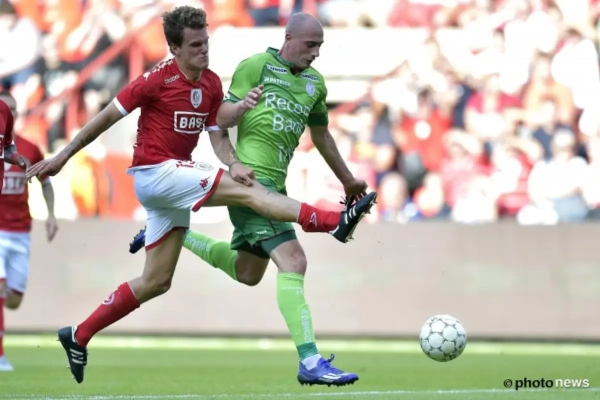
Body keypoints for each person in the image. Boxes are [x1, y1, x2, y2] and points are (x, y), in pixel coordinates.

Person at [25, 6, 376, 384]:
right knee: (254, 197)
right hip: (155, 172)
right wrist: (61, 156)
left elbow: (216, 133)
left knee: (158, 281)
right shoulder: (154, 80)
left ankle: (79, 335)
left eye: (205, 42)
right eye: (194, 45)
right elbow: (105, 119)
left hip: (174, 185)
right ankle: (333, 222)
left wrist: (233, 161)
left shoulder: (209, 84)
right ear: (174, 48)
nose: (203, 50)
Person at [129, 12, 370, 387]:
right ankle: (310, 361)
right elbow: (219, 119)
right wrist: (241, 121)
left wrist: (348, 180)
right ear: (289, 39)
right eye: (310, 45)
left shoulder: (316, 84)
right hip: (252, 186)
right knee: (294, 260)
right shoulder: (256, 66)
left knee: (248, 273)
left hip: (277, 188)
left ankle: (174, 235)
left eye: (320, 46)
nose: (316, 53)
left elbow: (322, 137)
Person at [0, 93, 58, 372]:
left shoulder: (29, 148)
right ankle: (0, 355)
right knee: (0, 288)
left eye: (13, 110)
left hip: (21, 231)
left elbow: (45, 182)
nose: (9, 113)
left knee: (13, 300)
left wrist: (51, 215)